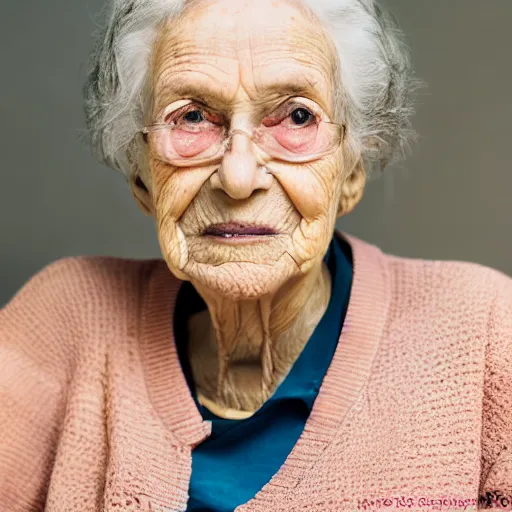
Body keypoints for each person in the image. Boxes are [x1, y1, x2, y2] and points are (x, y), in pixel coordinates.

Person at [1, 0, 511, 510]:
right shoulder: (65, 325)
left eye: (296, 116)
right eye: (193, 117)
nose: (238, 177)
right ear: (143, 179)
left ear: (351, 172)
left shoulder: (484, 334)